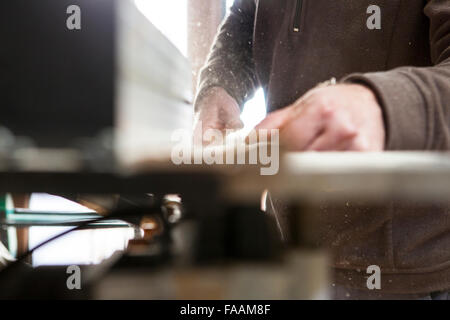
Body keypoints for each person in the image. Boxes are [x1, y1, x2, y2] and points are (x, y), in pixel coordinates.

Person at [193, 0, 450, 299]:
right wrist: (220, 85)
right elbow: (247, 16)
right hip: (292, 251)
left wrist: (379, 105)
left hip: (401, 272)